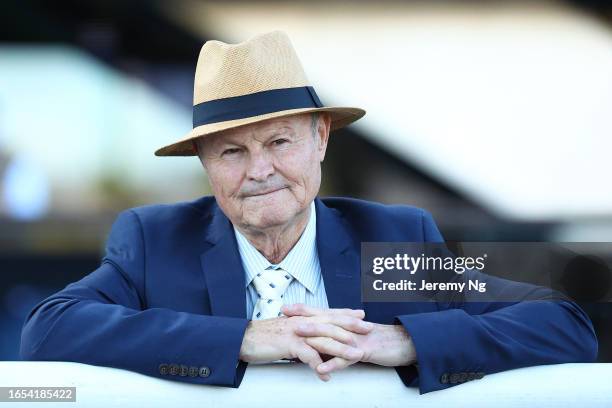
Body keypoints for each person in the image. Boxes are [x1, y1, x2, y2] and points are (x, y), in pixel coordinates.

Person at [20, 30, 597, 394]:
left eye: (279, 142)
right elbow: (48, 330)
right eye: (231, 151)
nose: (259, 171)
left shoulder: (393, 240)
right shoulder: (154, 240)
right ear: (203, 163)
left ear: (321, 137)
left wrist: (405, 341)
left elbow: (564, 323)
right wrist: (242, 338)